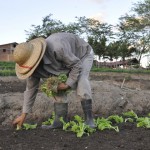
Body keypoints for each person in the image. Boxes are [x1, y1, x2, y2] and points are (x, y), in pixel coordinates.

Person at [12, 32, 95, 129]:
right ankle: (60, 121)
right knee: (54, 84)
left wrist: (67, 84)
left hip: (82, 55)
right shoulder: (32, 69)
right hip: (66, 62)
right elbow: (30, 90)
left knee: (81, 80)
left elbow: (76, 65)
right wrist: (23, 115)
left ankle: (89, 119)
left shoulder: (57, 48)